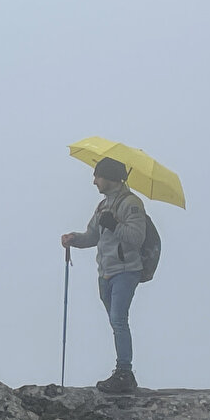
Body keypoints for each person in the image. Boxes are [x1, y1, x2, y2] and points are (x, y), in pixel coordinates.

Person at [60, 156, 147, 393]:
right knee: (115, 321)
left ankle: (124, 372)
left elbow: (137, 238)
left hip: (126, 270)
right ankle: (123, 371)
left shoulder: (132, 204)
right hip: (106, 272)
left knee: (118, 319)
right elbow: (92, 236)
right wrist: (74, 239)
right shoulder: (103, 206)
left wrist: (114, 225)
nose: (94, 181)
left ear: (109, 177)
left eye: (97, 176)